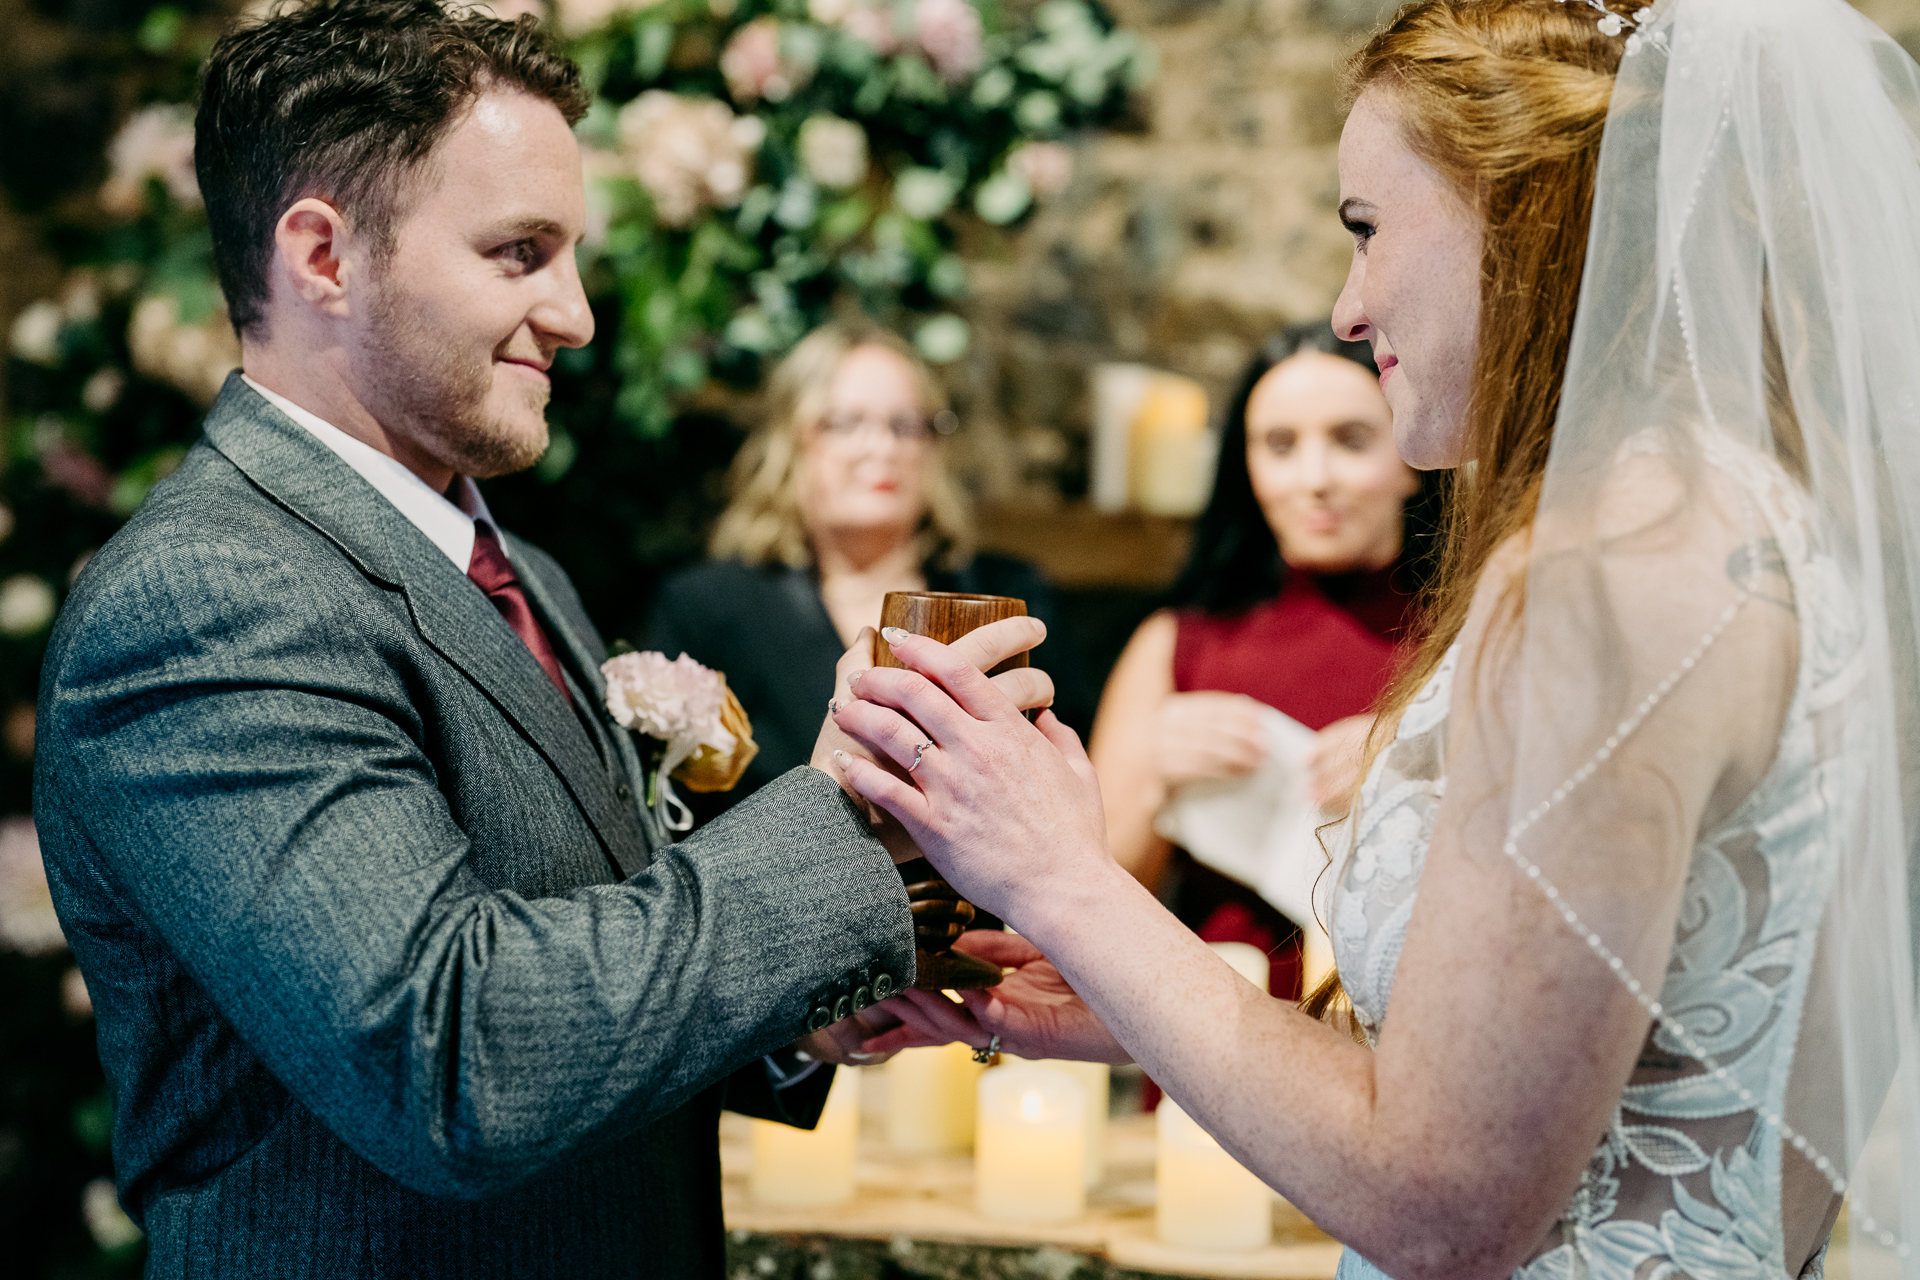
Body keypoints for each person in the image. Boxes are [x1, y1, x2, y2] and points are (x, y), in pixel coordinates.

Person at [834, 1, 1920, 1277]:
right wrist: (1135, 988)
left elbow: (1445, 1203)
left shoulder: (1609, 577)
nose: (1349, 310)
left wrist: (1056, 873)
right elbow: (1556, 1071)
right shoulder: (1750, 526)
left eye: (1366, 229)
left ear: (1523, 216)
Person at [30, 3, 1050, 1275]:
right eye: (520, 252)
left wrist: (794, 1020)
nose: (574, 312)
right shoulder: (206, 596)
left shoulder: (517, 568)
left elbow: (578, 947)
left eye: (570, 254)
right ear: (323, 258)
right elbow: (453, 1056)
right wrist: (841, 818)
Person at [1090, 325, 1433, 1004]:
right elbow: (1082, 898)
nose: (1315, 479)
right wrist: (1153, 780)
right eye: (1280, 446)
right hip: (1210, 1032)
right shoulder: (1178, 643)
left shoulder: (1471, 634)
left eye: (1351, 440)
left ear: (1411, 456)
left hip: (1403, 1028)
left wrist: (1422, 763)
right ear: (1244, 466)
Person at [646, 319, 1092, 825]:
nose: (882, 448)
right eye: (846, 423)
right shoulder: (710, 609)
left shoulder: (1005, 592)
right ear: (793, 441)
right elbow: (673, 816)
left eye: (905, 426)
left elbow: (1069, 775)